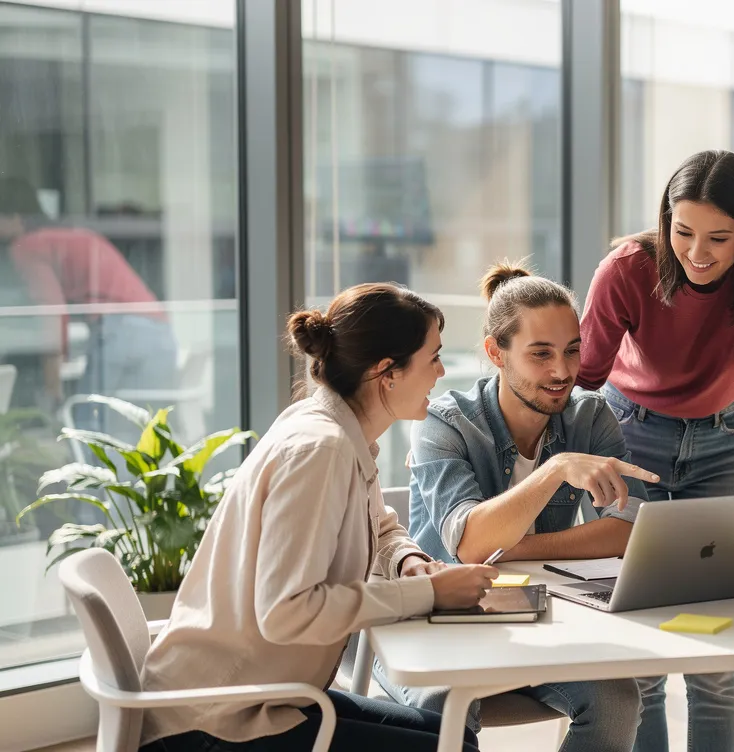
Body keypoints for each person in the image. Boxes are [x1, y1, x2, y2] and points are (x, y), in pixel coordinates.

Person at [139, 283, 498, 752]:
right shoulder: (321, 450)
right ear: (387, 372)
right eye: (433, 358)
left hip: (260, 696)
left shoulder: (336, 430)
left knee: (454, 734)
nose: (441, 372)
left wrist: (409, 562)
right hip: (213, 720)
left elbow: (379, 524)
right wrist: (427, 594)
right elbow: (286, 612)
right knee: (455, 747)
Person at [578, 149, 734, 752]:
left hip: (725, 438)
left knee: (717, 657)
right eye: (682, 232)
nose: (697, 253)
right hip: (630, 437)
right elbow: (582, 379)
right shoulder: (626, 269)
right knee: (643, 656)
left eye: (718, 238)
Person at [378, 262, 656, 751]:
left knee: (617, 698)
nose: (562, 371)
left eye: (572, 350)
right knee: (442, 704)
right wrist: (556, 469)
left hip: (536, 619)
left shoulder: (590, 416)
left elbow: (630, 528)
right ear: (496, 353)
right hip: (431, 624)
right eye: (541, 354)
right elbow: (469, 543)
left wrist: (514, 547)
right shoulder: (445, 423)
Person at [0, 175, 177, 412]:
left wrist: (52, 388)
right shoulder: (73, 234)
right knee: (137, 426)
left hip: (119, 331)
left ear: (14, 217)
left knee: (87, 420)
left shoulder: (26, 246)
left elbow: (51, 312)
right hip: (159, 331)